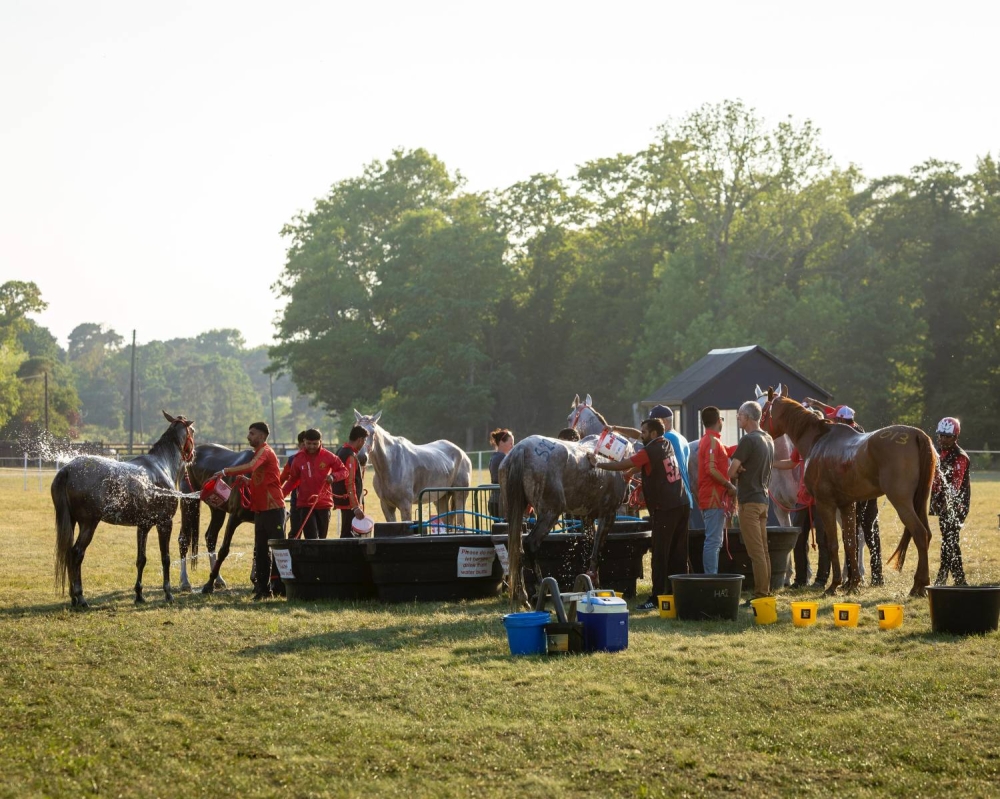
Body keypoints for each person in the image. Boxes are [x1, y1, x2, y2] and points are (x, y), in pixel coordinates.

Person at [590, 417, 689, 610]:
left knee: (659, 554)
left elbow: (623, 464)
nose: (640, 434)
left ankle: (656, 597)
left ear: (652, 434)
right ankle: (680, 594)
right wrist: (616, 427)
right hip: (682, 503)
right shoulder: (665, 442)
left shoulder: (649, 450)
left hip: (666, 508)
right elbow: (637, 437)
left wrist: (598, 464)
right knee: (678, 552)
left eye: (644, 432)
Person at [215, 422, 286, 601]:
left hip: (274, 508)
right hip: (260, 509)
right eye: (249, 433)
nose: (248, 437)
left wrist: (226, 471)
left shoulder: (265, 451)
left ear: (262, 436)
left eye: (252, 434)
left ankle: (282, 586)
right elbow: (260, 476)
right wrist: (246, 481)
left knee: (279, 550)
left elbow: (252, 467)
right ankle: (263, 589)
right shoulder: (260, 452)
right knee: (260, 550)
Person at [728, 401, 775, 602]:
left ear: (747, 417)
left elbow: (730, 471)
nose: (738, 418)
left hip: (749, 502)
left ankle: (760, 595)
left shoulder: (748, 440)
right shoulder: (768, 438)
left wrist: (737, 470)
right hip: (763, 500)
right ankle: (766, 591)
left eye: (739, 415)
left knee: (756, 552)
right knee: (763, 551)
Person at [615, 405, 692, 508]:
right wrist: (615, 428)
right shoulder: (681, 438)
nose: (648, 426)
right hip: (684, 498)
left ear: (663, 422)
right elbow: (640, 436)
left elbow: (646, 459)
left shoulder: (664, 439)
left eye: (651, 423)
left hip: (670, 500)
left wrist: (629, 473)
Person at [281, 428, 348, 540]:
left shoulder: (328, 456)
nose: (312, 446)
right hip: (305, 504)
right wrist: (280, 495)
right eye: (309, 443)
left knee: (322, 539)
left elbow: (344, 471)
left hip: (324, 503)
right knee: (311, 538)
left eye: (315, 444)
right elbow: (293, 480)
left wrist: (333, 476)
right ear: (304, 442)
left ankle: (319, 558)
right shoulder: (298, 458)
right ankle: (310, 557)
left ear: (320, 442)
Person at [696, 406, 737, 574]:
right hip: (713, 498)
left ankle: (711, 577)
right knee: (713, 542)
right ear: (719, 420)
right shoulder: (712, 441)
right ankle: (711, 579)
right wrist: (729, 485)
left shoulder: (711, 440)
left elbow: (725, 451)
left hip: (713, 498)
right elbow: (711, 469)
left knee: (715, 541)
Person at [931, 416, 971, 586]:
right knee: (950, 541)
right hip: (944, 504)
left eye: (946, 436)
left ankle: (941, 579)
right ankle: (960, 580)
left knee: (949, 541)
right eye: (940, 435)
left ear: (955, 437)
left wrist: (947, 502)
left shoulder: (960, 457)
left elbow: (956, 485)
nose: (942, 439)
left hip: (957, 505)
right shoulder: (938, 453)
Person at [332, 425, 370, 537]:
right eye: (364, 441)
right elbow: (350, 482)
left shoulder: (340, 450)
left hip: (343, 501)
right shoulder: (350, 456)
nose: (364, 444)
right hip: (349, 504)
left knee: (346, 533)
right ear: (360, 439)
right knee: (348, 535)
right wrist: (356, 507)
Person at [279, 430, 307, 537]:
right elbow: (282, 478)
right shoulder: (292, 460)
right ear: (299, 445)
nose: (307, 448)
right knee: (295, 531)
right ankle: (294, 553)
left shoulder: (320, 459)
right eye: (304, 445)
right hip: (297, 502)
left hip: (315, 503)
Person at [488, 429, 514, 519]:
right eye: (510, 443)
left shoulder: (494, 456)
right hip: (501, 502)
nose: (512, 446)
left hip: (495, 500)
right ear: (502, 443)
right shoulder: (503, 458)